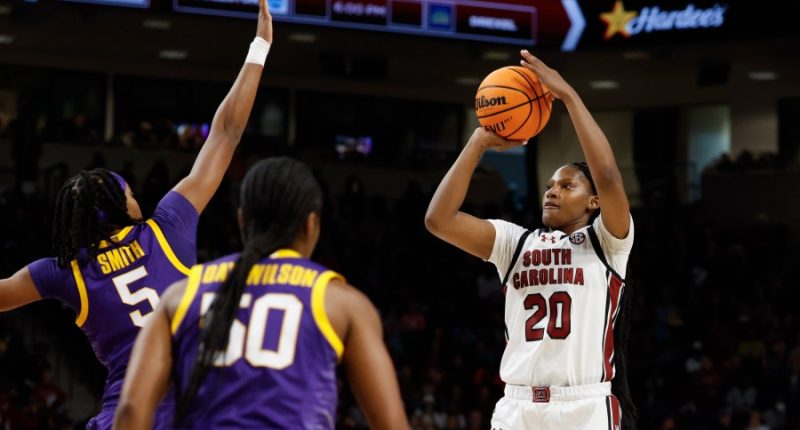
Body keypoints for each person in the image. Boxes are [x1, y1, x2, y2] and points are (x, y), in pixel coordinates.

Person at [0, 1, 274, 427]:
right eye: (128, 190)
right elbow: (226, 132)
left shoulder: (66, 271)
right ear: (122, 206)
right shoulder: (168, 226)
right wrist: (259, 47)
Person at [112, 157, 409, 430]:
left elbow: (130, 412)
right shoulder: (341, 302)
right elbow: (391, 424)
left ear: (242, 220)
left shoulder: (181, 295)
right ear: (311, 224)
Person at [425, 50, 636, 430]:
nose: (552, 191)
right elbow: (438, 220)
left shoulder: (608, 243)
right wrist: (478, 142)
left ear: (594, 202)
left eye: (567, 186)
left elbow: (606, 175)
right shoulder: (515, 243)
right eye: (550, 185)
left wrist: (568, 95)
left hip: (584, 407)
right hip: (518, 406)